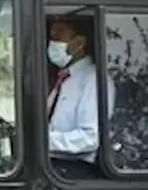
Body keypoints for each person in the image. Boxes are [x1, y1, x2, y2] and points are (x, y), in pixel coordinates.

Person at [45, 15, 108, 179]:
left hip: (75, 172)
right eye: (52, 37)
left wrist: (44, 142)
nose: (53, 43)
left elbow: (90, 138)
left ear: (79, 43)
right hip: (51, 166)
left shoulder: (93, 80)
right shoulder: (62, 79)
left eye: (59, 36)